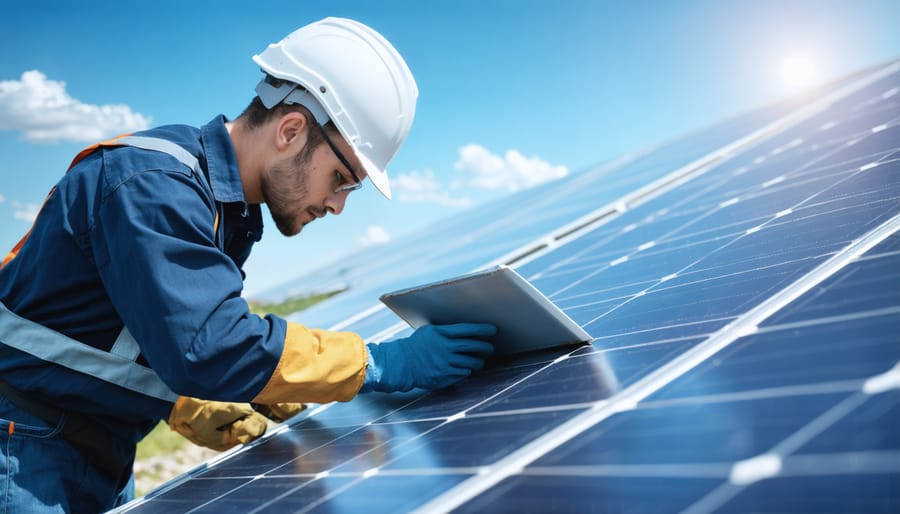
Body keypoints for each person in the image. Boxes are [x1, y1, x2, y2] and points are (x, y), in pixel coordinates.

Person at [0, 17, 495, 513]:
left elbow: (131, 327)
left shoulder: (225, 214)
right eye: (342, 178)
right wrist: (382, 363)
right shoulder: (153, 187)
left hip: (92, 443)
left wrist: (184, 401)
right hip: (26, 445)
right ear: (291, 130)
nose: (338, 205)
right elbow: (210, 346)